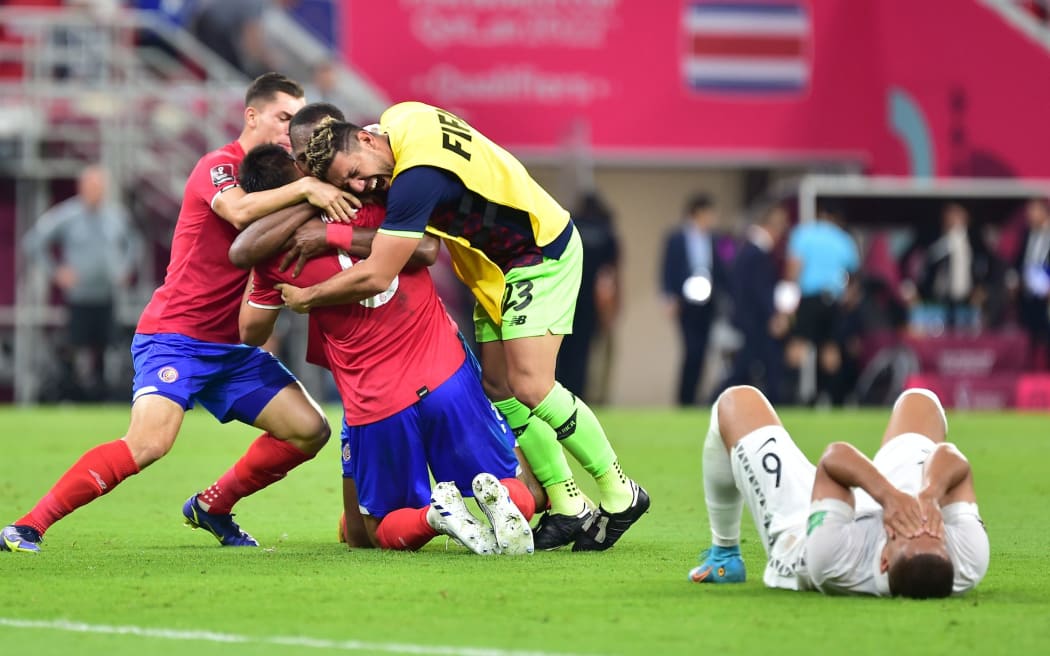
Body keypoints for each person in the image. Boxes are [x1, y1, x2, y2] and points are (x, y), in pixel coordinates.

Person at [1, 72, 358, 554]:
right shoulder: (219, 165)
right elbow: (237, 212)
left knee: (309, 430)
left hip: (231, 347)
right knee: (149, 444)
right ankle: (27, 526)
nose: (290, 129)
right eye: (283, 117)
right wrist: (309, 192)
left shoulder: (288, 179)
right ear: (251, 115)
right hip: (177, 337)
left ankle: (213, 506)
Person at [280, 103, 650, 551]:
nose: (362, 186)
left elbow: (379, 274)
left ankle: (621, 491)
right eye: (349, 184)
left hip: (537, 250)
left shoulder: (416, 178)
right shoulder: (401, 118)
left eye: (356, 172)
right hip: (493, 265)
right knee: (498, 386)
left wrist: (307, 296)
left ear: (364, 138)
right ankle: (568, 504)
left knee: (531, 385)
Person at [232, 142, 539, 555]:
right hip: (444, 372)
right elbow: (428, 250)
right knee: (518, 488)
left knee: (374, 532)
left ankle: (434, 516)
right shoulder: (380, 203)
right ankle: (501, 500)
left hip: (375, 398)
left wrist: (277, 283)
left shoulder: (276, 254)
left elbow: (250, 330)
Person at [688, 384, 989, 598]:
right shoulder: (968, 559)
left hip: (807, 526)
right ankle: (899, 501)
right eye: (935, 532)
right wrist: (930, 495)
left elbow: (834, 462)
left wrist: (887, 495)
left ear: (885, 560)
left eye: (911, 531)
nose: (923, 523)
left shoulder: (833, 561)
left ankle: (724, 555)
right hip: (889, 502)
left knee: (734, 402)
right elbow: (954, 460)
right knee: (921, 401)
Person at [21, 164, 143, 402]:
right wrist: (56, 272)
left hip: (107, 295)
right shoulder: (66, 215)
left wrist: (125, 268)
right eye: (92, 185)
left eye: (100, 186)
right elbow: (33, 242)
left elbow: (134, 243)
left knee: (106, 346)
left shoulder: (116, 215)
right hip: (79, 296)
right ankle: (73, 392)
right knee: (76, 345)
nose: (96, 191)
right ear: (82, 187)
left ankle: (102, 394)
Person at [785, 200, 860, 405]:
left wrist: (788, 300)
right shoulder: (844, 239)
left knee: (798, 347)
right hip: (833, 300)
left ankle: (788, 397)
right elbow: (853, 276)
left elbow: (794, 267)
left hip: (809, 297)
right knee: (831, 350)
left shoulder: (804, 234)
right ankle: (832, 399)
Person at [715, 202, 790, 403]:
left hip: (751, 320)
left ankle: (716, 403)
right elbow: (760, 290)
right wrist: (773, 315)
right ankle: (715, 402)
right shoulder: (756, 253)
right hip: (755, 321)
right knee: (754, 368)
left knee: (746, 369)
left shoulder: (747, 250)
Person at [557, 191, 621, 403]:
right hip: (592, 303)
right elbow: (611, 274)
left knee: (562, 351)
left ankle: (557, 396)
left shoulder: (569, 227)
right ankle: (577, 397)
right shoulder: (607, 234)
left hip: (565, 297)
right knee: (583, 353)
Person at [661, 193, 723, 406]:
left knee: (703, 351)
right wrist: (669, 297)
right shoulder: (677, 237)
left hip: (708, 303)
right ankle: (684, 399)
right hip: (685, 302)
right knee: (691, 350)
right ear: (697, 213)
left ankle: (696, 397)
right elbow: (667, 268)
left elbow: (722, 268)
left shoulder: (715, 239)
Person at [1014, 197, 1050, 370]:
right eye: (1029, 211)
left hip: (1047, 297)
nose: (1030, 215)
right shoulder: (1027, 235)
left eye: (1034, 211)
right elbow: (1020, 262)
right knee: (1031, 339)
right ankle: (1031, 379)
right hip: (1029, 295)